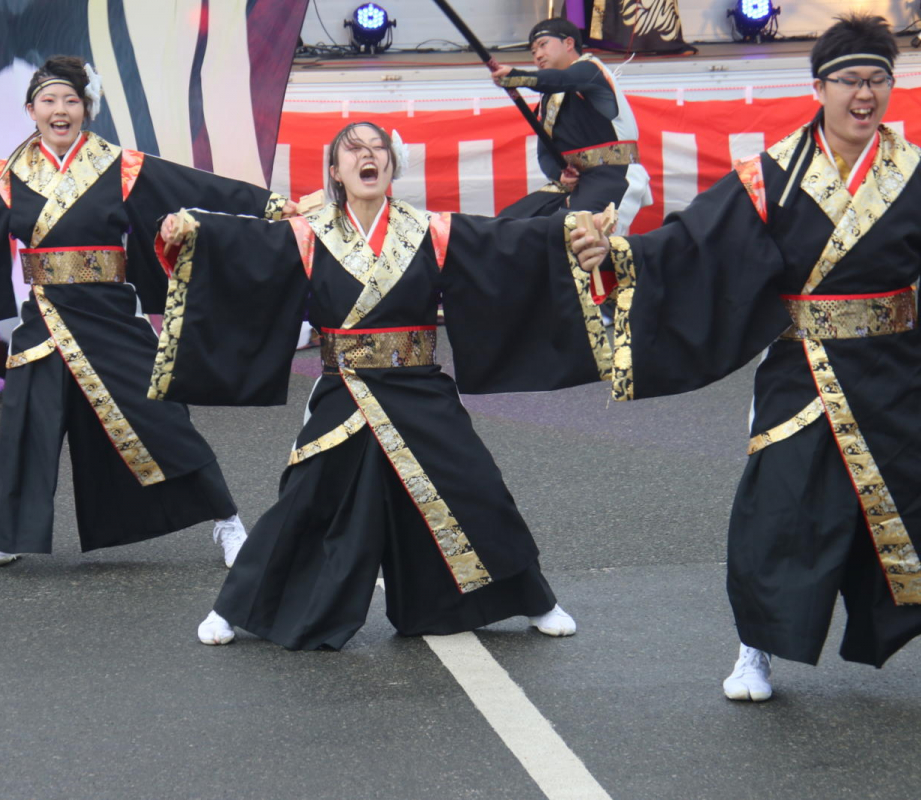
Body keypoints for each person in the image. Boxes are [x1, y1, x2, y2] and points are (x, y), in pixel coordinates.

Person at [0, 56, 293, 569]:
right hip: (43, 316)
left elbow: (195, 189)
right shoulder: (11, 172)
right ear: (31, 110)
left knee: (161, 418)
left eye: (70, 101)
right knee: (24, 426)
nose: (60, 110)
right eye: (49, 101)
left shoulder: (119, 166)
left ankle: (227, 522)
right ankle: (7, 533)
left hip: (110, 313)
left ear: (85, 110)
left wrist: (268, 205)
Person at [153, 121, 616, 650]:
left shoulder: (427, 229)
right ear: (336, 171)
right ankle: (232, 608)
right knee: (305, 502)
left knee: (475, 487)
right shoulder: (310, 231)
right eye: (354, 150)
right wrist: (191, 233)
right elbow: (244, 247)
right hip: (344, 388)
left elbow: (502, 243)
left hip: (418, 384)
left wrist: (565, 229)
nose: (368, 156)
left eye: (378, 150)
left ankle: (535, 600)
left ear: (391, 168)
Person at [571, 14, 921, 700]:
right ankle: (753, 649)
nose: (864, 94)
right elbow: (694, 241)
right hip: (805, 370)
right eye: (849, 79)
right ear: (819, 86)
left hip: (898, 371)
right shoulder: (774, 175)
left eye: (878, 79)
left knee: (910, 507)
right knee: (779, 506)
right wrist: (618, 256)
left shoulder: (912, 172)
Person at [491, 18, 651, 234]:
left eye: (543, 44)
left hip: (612, 175)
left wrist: (517, 77)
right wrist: (560, 173)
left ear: (568, 43)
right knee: (508, 226)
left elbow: (561, 79)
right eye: (532, 51)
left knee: (580, 233)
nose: (537, 55)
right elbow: (545, 153)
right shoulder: (550, 98)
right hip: (576, 185)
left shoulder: (591, 71)